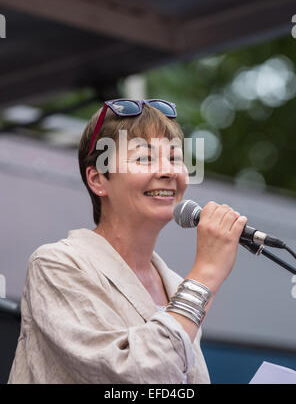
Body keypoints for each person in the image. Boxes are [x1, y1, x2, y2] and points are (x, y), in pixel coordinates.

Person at [8, 99, 247, 384]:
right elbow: (136, 378)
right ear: (98, 180)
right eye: (144, 159)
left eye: (174, 158)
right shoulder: (57, 265)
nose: (168, 171)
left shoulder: (175, 284)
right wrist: (206, 274)